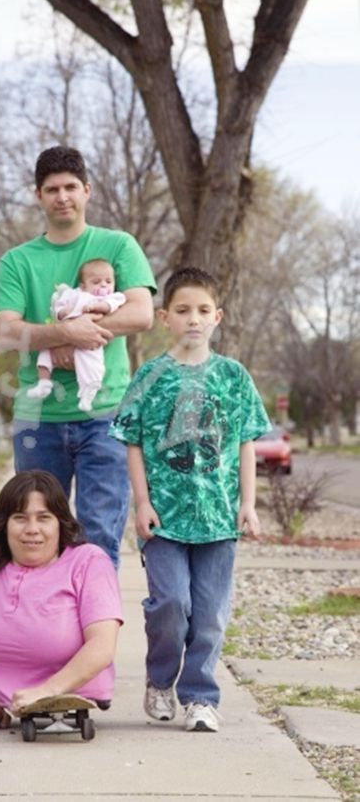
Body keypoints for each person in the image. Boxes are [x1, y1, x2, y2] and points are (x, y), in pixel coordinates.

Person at [110, 267, 271, 732]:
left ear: (217, 316)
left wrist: (248, 502)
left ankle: (200, 697)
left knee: (210, 617)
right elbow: (133, 441)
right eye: (183, 310)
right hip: (164, 519)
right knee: (170, 605)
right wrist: (142, 503)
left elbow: (245, 444)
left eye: (203, 311)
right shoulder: (150, 376)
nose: (193, 319)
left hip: (218, 519)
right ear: (165, 317)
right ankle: (160, 680)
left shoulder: (233, 377)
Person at [0, 145, 156, 568]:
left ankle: (97, 632)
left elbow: (141, 313)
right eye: (51, 189)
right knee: (36, 536)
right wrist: (64, 331)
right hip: (39, 419)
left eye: (70, 187)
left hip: (105, 417)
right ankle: (44, 629)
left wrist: (80, 338)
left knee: (99, 535)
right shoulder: (17, 262)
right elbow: (6, 331)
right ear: (38, 195)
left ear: (87, 190)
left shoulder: (118, 246)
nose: (61, 196)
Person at [0, 470, 123, 730]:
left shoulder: (89, 561)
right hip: (11, 700)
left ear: (60, 523)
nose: (32, 529)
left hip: (72, 691)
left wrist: (47, 690)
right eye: (20, 518)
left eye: (44, 518)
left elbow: (102, 646)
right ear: (5, 523)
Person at [27, 258, 126, 412]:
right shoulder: (73, 294)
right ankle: (44, 383)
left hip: (87, 340)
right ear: (83, 286)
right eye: (96, 281)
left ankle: (88, 395)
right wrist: (62, 312)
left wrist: (99, 305)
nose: (103, 285)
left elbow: (112, 305)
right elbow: (58, 307)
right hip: (62, 338)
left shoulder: (111, 297)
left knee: (91, 364)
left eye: (108, 281)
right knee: (45, 352)